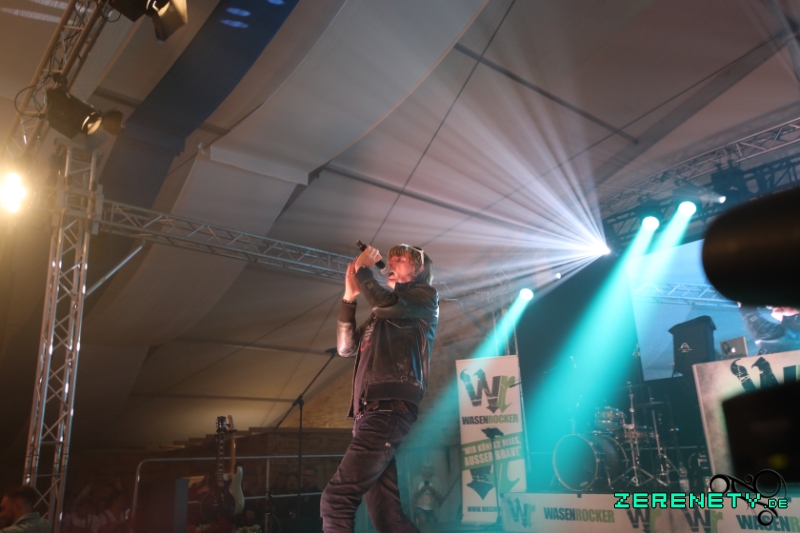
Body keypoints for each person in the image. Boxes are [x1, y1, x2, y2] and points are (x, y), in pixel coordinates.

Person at [321, 244, 438, 533]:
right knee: (387, 516)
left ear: (419, 269)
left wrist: (363, 270)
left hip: (388, 409)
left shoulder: (425, 297)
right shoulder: (382, 315)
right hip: (369, 413)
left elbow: (386, 303)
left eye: (400, 259)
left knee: (336, 499)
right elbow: (346, 348)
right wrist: (349, 297)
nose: (391, 263)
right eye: (391, 259)